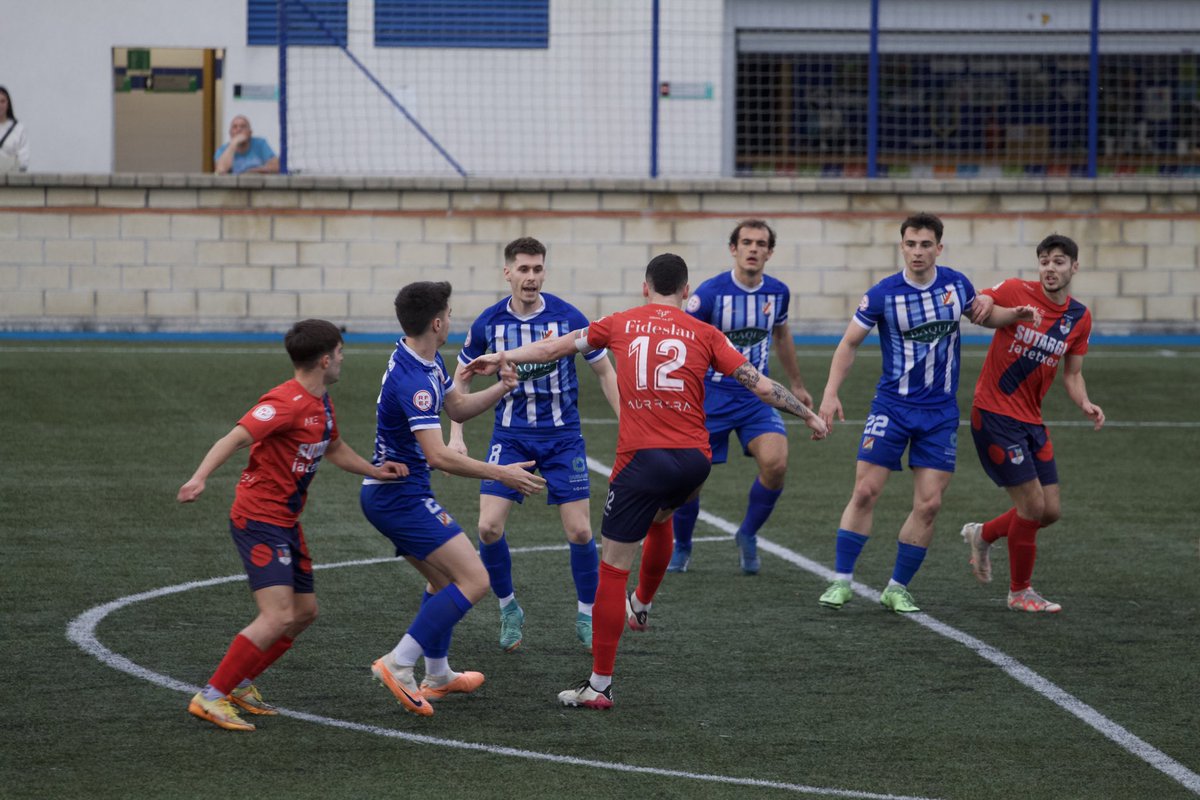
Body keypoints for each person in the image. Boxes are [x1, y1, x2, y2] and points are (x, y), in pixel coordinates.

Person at [464, 254, 827, 710]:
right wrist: (808, 412)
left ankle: (598, 685)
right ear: (687, 292)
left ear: (644, 288)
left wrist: (501, 356)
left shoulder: (620, 323)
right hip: (696, 460)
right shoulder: (706, 332)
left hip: (641, 461)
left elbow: (552, 348)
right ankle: (644, 603)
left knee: (612, 568)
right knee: (662, 517)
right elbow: (759, 384)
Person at [178, 319, 408, 731]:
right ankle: (210, 697)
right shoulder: (285, 402)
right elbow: (234, 438)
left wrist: (375, 470)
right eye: (339, 353)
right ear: (324, 359)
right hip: (259, 518)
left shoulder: (321, 402)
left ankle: (241, 684)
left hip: (285, 521)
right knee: (277, 616)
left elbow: (333, 448)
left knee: (304, 612)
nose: (342, 359)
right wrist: (200, 477)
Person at [816, 212, 1040, 614]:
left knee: (930, 504)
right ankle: (841, 580)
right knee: (865, 491)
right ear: (902, 246)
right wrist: (831, 394)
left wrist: (1014, 315)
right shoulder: (883, 294)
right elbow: (849, 343)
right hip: (892, 406)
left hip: (938, 414)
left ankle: (897, 587)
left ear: (939, 247)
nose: (917, 252)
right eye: (910, 244)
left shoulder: (955, 285)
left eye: (925, 244)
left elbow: (983, 316)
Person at [362, 281, 546, 718]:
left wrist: (502, 388)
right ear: (438, 322)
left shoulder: (426, 359)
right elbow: (439, 455)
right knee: (475, 580)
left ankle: (439, 675)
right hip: (399, 498)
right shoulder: (413, 380)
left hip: (400, 494)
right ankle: (399, 662)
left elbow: (458, 409)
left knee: (443, 580)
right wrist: (502, 473)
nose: (452, 317)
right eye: (449, 311)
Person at [449, 237, 620, 653]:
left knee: (580, 531)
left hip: (563, 439)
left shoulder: (568, 317)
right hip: (511, 437)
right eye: (523, 269)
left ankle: (586, 612)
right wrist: (455, 435)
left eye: (538, 269)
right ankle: (509, 609)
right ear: (507, 272)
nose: (531, 277)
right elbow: (462, 377)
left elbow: (604, 372)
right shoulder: (488, 323)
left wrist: (627, 424)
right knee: (488, 528)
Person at [960, 234, 1105, 613]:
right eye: (1044, 261)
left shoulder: (1079, 317)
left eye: (1058, 262)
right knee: (1031, 506)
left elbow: (1073, 375)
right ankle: (1019, 591)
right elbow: (979, 302)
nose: (1049, 269)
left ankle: (983, 534)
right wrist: (990, 300)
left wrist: (1085, 401)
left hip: (1031, 420)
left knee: (1049, 511)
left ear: (1074, 267)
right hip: (994, 414)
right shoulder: (1015, 290)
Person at [669, 219, 813, 575]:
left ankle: (747, 533)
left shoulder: (778, 292)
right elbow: (687, 342)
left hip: (754, 398)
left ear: (769, 252)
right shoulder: (710, 294)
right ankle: (683, 545)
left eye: (760, 243)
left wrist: (796, 383)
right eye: (746, 242)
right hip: (709, 397)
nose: (753, 249)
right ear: (733, 249)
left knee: (776, 464)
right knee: (689, 481)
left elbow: (781, 336)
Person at [214, 115, 279, 175]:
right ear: (230, 133)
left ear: (250, 132)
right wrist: (234, 143)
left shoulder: (260, 144)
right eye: (235, 127)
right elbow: (220, 171)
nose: (239, 130)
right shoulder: (222, 150)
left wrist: (252, 172)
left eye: (243, 126)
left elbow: (276, 166)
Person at [0, 87, 30, 172]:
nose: (0, 105)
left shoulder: (19, 128)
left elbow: (24, 158)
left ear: (8, 104)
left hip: (11, 177)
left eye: (3, 101)